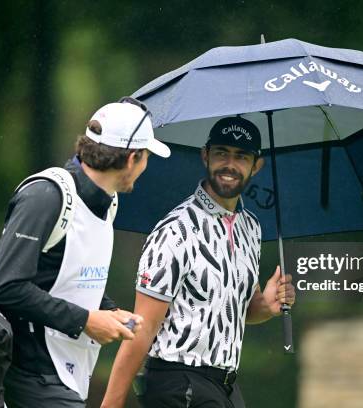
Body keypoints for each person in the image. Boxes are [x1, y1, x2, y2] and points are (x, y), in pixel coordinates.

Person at [0, 98, 170, 407]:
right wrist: (86, 321)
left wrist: (110, 312)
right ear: (132, 159)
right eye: (146, 157)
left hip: (66, 375)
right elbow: (4, 285)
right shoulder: (45, 195)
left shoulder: (107, 202)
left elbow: (68, 279)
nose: (145, 166)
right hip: (27, 372)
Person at [101, 116, 296, 408]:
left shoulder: (250, 228)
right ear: (205, 155)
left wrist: (265, 306)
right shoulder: (176, 230)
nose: (230, 164)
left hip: (224, 386)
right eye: (221, 153)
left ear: (256, 165)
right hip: (178, 382)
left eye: (241, 156)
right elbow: (143, 327)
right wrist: (111, 404)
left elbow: (231, 312)